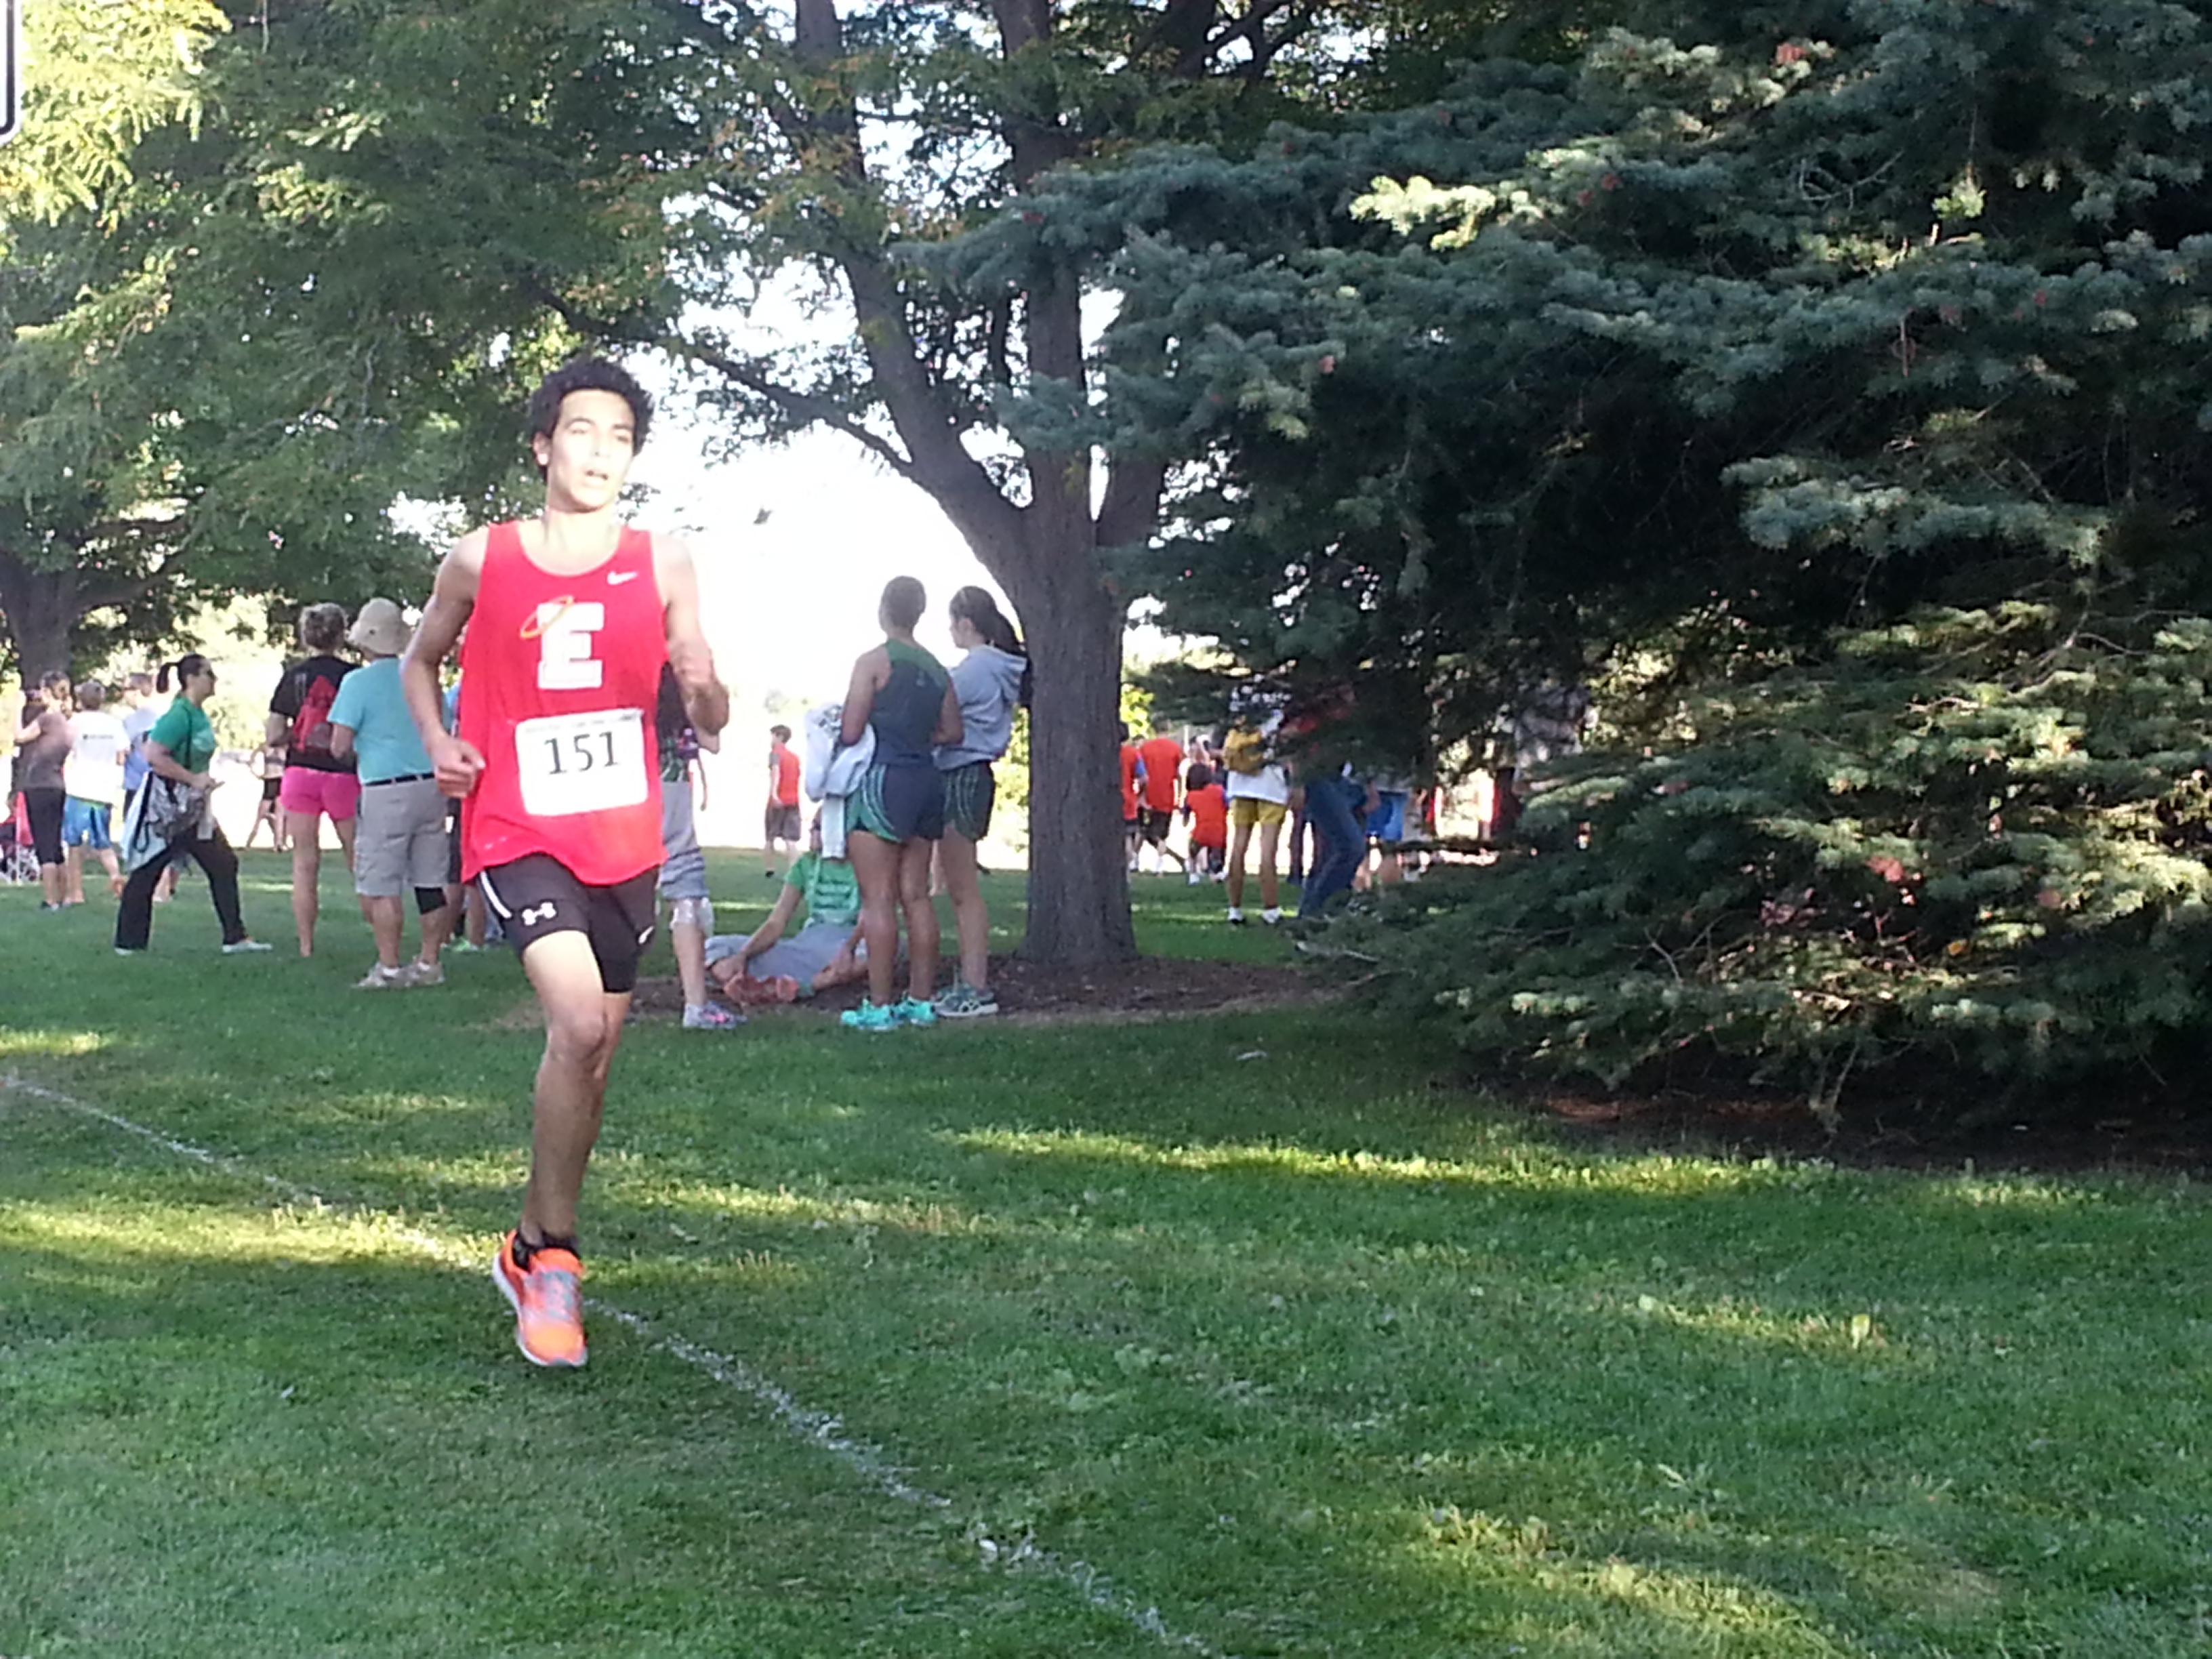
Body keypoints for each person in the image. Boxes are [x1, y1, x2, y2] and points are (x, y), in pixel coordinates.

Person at [401, 356, 728, 1370]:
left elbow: (710, 704)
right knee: (577, 1022)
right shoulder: (483, 557)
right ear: (543, 445)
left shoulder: (663, 560)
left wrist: (705, 687)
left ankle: (534, 1243)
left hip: (623, 839)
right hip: (515, 824)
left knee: (595, 1058)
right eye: (582, 431)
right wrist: (439, 741)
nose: (600, 452)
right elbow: (419, 659)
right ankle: (556, 1263)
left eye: (620, 438)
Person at [836, 575, 960, 1033]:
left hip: (883, 779)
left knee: (878, 899)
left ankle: (879, 1005)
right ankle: (921, 1002)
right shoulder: (937, 669)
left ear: (884, 610)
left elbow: (851, 730)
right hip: (926, 780)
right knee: (917, 895)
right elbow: (954, 731)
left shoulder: (873, 661)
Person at [329, 597, 455, 989]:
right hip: (431, 785)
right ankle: (430, 961)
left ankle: (388, 966)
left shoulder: (357, 683)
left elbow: (339, 744)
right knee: (430, 880)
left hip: (385, 788)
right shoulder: (423, 679)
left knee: (380, 883)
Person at [113, 655, 274, 956]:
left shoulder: (197, 714)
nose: (214, 680)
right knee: (149, 869)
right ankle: (129, 943)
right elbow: (154, 755)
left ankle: (234, 937)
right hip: (171, 808)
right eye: (208, 674)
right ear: (191, 679)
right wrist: (192, 779)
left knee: (222, 863)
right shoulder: (179, 715)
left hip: (193, 809)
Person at [931, 585, 1027, 1019]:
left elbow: (940, 707)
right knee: (960, 886)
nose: (950, 631)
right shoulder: (999, 667)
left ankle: (975, 985)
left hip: (961, 773)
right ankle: (970, 981)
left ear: (966, 624)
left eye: (952, 623)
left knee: (963, 890)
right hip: (973, 774)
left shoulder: (975, 670)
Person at [268, 602, 361, 956]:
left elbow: (273, 734)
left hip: (299, 774)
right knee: (358, 859)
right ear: (341, 635)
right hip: (342, 774)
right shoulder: (353, 677)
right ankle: (383, 934)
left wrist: (298, 733)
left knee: (304, 862)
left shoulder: (292, 677)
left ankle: (306, 945)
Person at [705, 814, 866, 1000]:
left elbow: (868, 922)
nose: (811, 832)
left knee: (874, 952)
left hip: (850, 943)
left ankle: (806, 986)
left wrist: (848, 949)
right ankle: (757, 983)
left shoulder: (868, 867)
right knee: (716, 946)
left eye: (818, 827)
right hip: (807, 947)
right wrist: (742, 955)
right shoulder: (806, 864)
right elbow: (776, 922)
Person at [657, 665, 739, 1029]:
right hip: (669, 786)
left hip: (620, 787)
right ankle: (696, 1005)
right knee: (685, 890)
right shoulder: (679, 690)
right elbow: (713, 741)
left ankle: (593, 996)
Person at [62, 679, 129, 903]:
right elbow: (122, 756)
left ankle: (76, 892)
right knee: (103, 841)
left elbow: (66, 748)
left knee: (74, 843)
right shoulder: (113, 724)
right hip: (104, 790)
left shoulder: (76, 722)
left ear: (80, 700)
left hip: (80, 788)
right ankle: (115, 876)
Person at [1221, 718, 1290, 925]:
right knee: (1268, 848)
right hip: (1271, 784)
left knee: (1238, 845)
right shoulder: (1279, 709)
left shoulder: (1240, 706)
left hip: (1239, 781)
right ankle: (1271, 909)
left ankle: (1234, 908)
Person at [14, 673, 73, 910]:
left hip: (39, 786)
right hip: (57, 785)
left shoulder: (47, 720)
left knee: (44, 844)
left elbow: (20, 737)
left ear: (48, 692)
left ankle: (50, 900)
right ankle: (64, 896)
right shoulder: (67, 721)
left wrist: (18, 709)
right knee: (55, 843)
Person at [1134, 720, 1186, 876]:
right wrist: (1180, 796)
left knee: (1143, 831)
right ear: (1168, 729)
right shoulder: (1175, 749)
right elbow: (1180, 775)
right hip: (1167, 796)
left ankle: (1135, 861)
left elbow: (1140, 774)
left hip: (1148, 795)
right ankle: (1160, 864)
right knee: (1161, 834)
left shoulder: (1145, 749)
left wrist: (1141, 795)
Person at [764, 722, 802, 880]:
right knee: (790, 839)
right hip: (793, 800)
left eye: (772, 736)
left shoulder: (775, 754)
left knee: (770, 837)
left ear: (779, 737)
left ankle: (770, 869)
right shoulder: (795, 758)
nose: (771, 740)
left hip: (778, 800)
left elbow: (776, 772)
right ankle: (794, 870)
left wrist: (774, 793)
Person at [1181, 760, 1228, 883]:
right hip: (1220, 830)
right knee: (1217, 852)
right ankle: (1217, 871)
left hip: (1201, 830)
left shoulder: (1191, 796)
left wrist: (1185, 819)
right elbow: (1228, 804)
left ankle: (1193, 873)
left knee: (1193, 849)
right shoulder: (1219, 790)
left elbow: (1186, 813)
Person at [243, 740, 288, 851]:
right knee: (262, 815)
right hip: (271, 781)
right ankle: (249, 843)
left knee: (279, 815)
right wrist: (257, 773)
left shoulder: (284, 747)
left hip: (279, 781)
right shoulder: (267, 747)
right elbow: (252, 758)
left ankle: (278, 844)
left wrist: (257, 773)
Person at [1118, 722, 1145, 872]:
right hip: (1128, 799)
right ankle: (1129, 865)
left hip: (1108, 800)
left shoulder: (1102, 753)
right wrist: (1141, 795)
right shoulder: (1133, 754)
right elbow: (1144, 778)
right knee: (1128, 835)